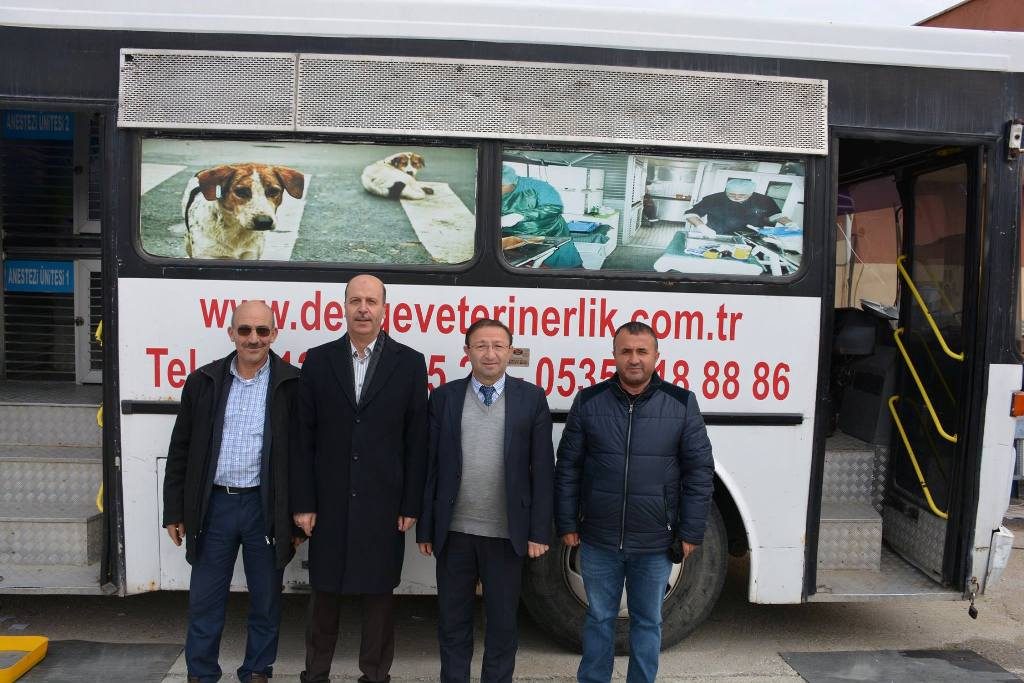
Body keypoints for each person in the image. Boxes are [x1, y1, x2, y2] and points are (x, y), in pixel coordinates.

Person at [554, 321, 715, 683]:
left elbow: (699, 472)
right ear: (614, 355)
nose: (634, 359)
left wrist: (691, 531)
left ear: (657, 356)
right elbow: (568, 467)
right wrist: (567, 522)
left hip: (655, 541)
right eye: (626, 351)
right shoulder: (589, 401)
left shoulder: (681, 403)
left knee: (648, 621)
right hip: (599, 539)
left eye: (642, 351)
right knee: (599, 618)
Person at [291, 273, 428, 683]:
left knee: (379, 598)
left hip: (384, 502)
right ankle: (316, 674)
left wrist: (410, 503)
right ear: (344, 307)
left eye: (371, 301)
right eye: (355, 301)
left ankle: (375, 675)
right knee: (324, 595)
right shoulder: (318, 360)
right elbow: (303, 437)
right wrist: (304, 502)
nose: (363, 309)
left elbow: (416, 440)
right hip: (329, 501)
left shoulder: (410, 363)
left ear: (385, 308)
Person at [163, 300, 301, 683]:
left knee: (266, 601)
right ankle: (201, 673)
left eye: (262, 330)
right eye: (245, 330)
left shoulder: (293, 384)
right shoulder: (203, 381)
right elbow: (181, 449)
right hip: (214, 507)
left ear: (274, 334)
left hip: (265, 508)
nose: (253, 338)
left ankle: (257, 671)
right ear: (231, 334)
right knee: (205, 601)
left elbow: (305, 456)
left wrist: (297, 519)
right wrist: (174, 510)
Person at [417, 318, 554, 683]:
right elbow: (430, 466)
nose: (490, 353)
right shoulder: (444, 398)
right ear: (467, 352)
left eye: (498, 346)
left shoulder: (531, 398)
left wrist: (539, 531)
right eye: (481, 346)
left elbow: (543, 469)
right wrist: (426, 528)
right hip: (455, 534)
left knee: (503, 626)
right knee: (452, 624)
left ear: (510, 351)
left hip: (506, 535)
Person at [500, 164, 584, 268]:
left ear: (511, 182)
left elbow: (554, 207)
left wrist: (520, 215)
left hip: (551, 236)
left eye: (502, 186)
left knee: (569, 269)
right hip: (516, 241)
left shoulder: (538, 186)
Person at [684, 177, 792, 236]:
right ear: (726, 191)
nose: (736, 197)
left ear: (751, 193)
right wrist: (702, 227)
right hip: (718, 236)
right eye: (731, 194)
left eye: (742, 195)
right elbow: (691, 214)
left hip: (752, 239)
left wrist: (790, 224)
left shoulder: (765, 200)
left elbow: (775, 216)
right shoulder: (713, 199)